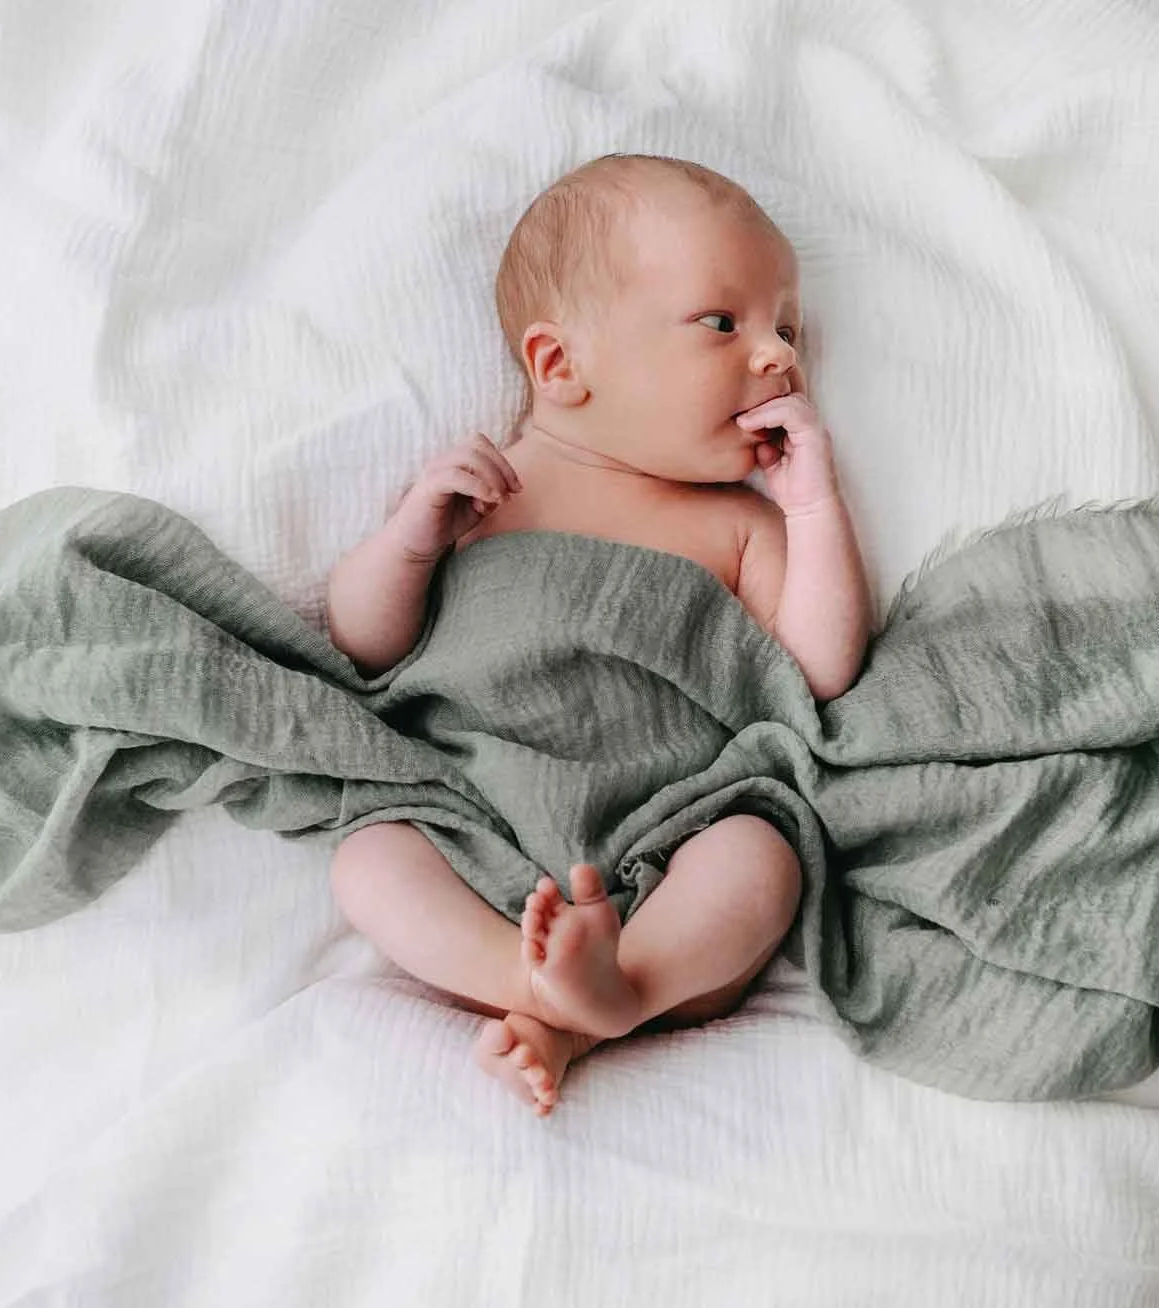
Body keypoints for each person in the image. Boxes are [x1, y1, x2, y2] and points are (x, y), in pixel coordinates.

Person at [325, 153, 871, 1115]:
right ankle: (539, 988)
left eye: (785, 327)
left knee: (761, 853)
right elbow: (364, 645)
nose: (779, 354)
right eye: (723, 322)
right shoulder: (484, 496)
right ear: (559, 365)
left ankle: (619, 989)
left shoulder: (740, 525)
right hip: (478, 825)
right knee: (369, 857)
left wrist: (816, 505)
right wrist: (408, 541)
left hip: (670, 840)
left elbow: (821, 672)